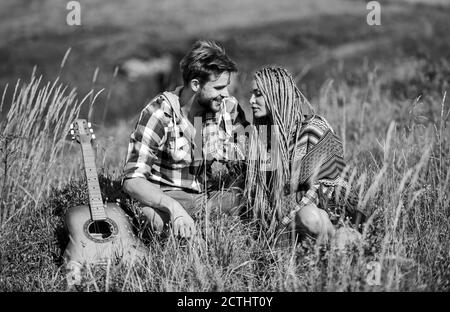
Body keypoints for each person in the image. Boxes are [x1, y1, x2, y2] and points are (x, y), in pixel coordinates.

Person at [121, 40, 248, 240]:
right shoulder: (159, 114)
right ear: (195, 85)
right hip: (164, 198)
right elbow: (132, 181)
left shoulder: (227, 108)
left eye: (226, 87)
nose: (226, 94)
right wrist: (174, 208)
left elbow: (247, 159)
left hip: (205, 197)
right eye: (219, 88)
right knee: (155, 221)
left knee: (252, 201)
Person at [245, 66, 365, 243]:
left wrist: (284, 222)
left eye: (258, 94)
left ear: (276, 95)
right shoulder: (263, 138)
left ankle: (340, 247)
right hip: (286, 221)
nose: (251, 100)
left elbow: (325, 192)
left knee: (309, 217)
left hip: (326, 215)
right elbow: (263, 191)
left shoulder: (314, 130)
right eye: (252, 94)